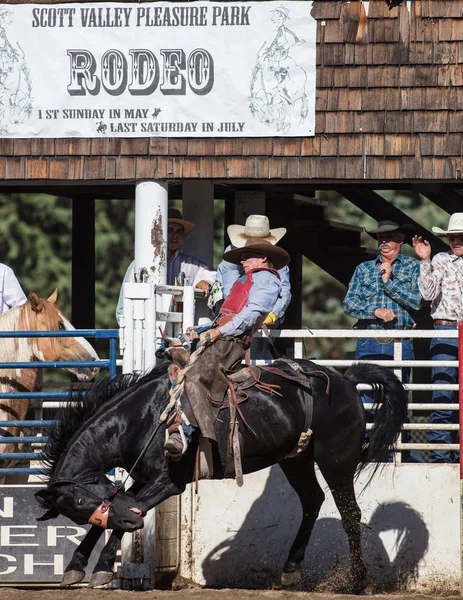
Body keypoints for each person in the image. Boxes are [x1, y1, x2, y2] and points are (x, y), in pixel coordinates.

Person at [164, 237, 290, 459]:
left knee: (194, 377)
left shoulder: (266, 279)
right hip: (224, 335)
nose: (242, 260)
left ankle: (189, 432)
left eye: (247, 256)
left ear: (263, 258)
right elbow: (228, 315)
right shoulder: (247, 278)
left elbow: (253, 314)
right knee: (172, 363)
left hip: (231, 342)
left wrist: (218, 331)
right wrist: (205, 329)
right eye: (241, 256)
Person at [343, 220, 421, 449]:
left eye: (390, 236)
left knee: (397, 397)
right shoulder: (364, 268)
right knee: (366, 398)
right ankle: (368, 450)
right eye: (380, 237)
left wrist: (388, 283)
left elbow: (416, 302)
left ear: (401, 240)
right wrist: (374, 311)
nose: (384, 241)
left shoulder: (413, 267)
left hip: (400, 340)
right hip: (369, 339)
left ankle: (399, 452)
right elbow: (349, 304)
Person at [412, 213, 463, 463]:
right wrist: (425, 261)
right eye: (453, 236)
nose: (456, 240)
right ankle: (441, 459)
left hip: (455, 332)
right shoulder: (441, 259)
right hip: (446, 331)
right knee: (443, 395)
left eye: (460, 236)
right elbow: (427, 293)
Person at [116, 209, 216, 324]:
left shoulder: (190, 264)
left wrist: (206, 282)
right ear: (161, 233)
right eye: (170, 230)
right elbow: (122, 308)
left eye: (179, 232)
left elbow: (215, 276)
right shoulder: (139, 264)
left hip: (178, 332)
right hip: (145, 329)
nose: (175, 236)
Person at [212, 214, 291, 327]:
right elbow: (231, 291)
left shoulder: (276, 255)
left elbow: (284, 292)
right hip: (229, 299)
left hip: (263, 302)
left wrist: (272, 314)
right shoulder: (231, 252)